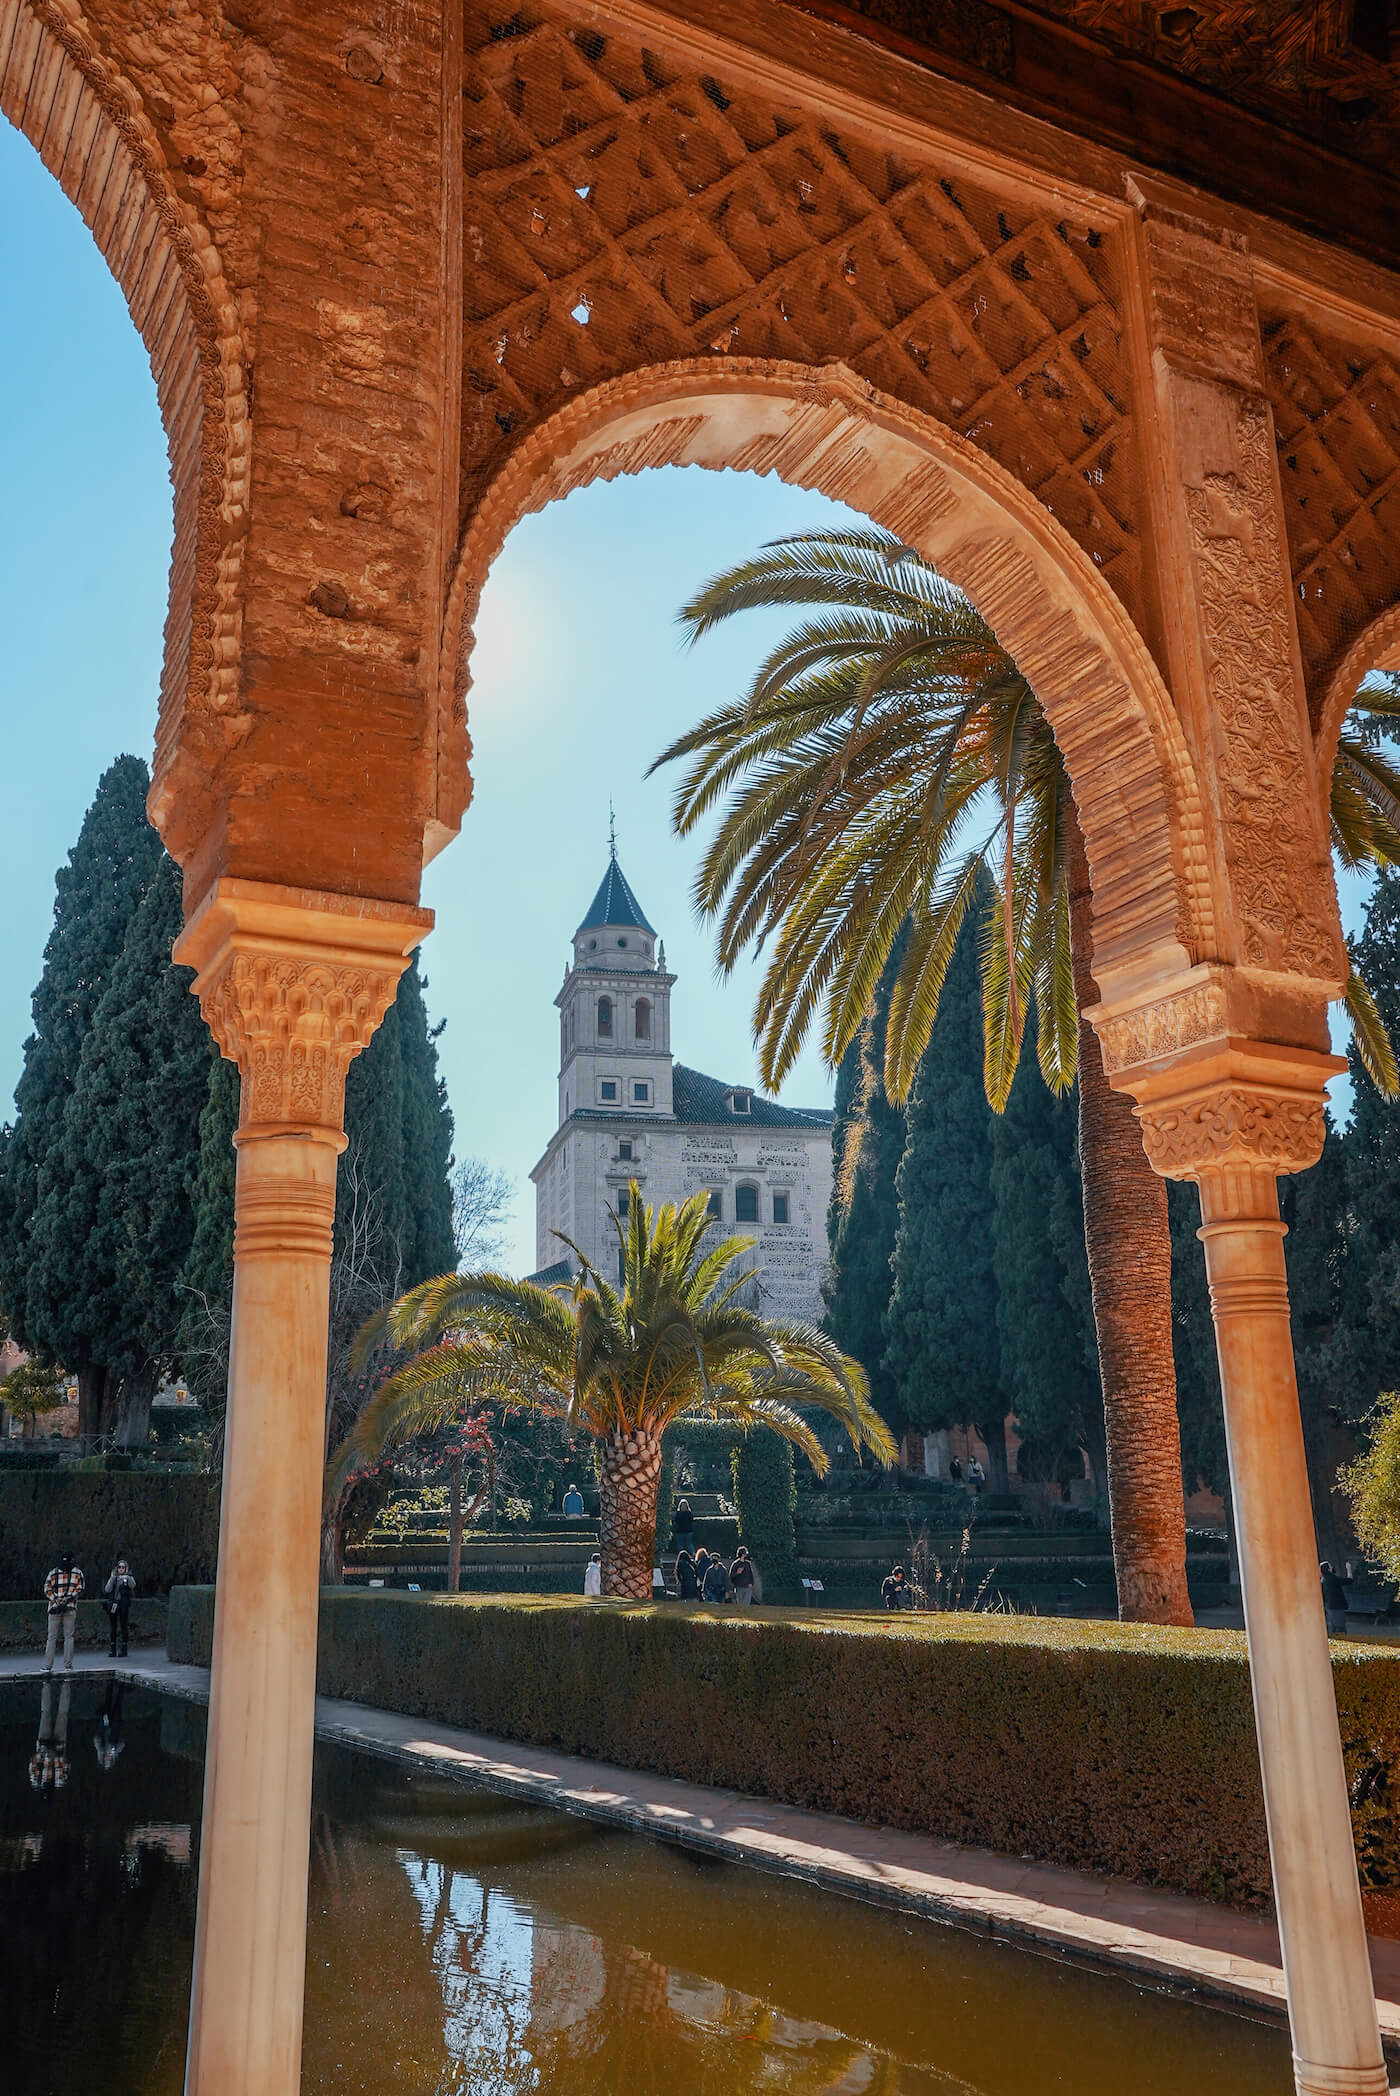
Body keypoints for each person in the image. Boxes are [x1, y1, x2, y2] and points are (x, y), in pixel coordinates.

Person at [42, 1550, 84, 1674]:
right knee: (69, 1637)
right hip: (70, 1607)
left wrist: (56, 1599)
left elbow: (46, 1589)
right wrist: (68, 1599)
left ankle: (47, 1666)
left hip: (54, 1607)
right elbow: (80, 1588)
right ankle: (68, 1666)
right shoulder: (77, 1572)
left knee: (51, 1638)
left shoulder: (53, 1572)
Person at [30, 1676, 72, 1795]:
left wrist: (44, 1754)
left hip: (43, 1743)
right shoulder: (60, 1780)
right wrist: (55, 1756)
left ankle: (46, 1685)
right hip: (59, 1745)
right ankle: (66, 1684)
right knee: (63, 1714)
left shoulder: (35, 1779)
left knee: (46, 1713)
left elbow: (32, 1761)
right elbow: (67, 1764)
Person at [104, 1557, 136, 1659]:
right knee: (113, 1626)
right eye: (119, 1567)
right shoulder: (114, 1577)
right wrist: (112, 1577)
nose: (121, 1569)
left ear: (126, 1568)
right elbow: (107, 1589)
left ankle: (124, 1648)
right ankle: (112, 1649)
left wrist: (127, 1578)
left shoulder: (128, 1577)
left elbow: (133, 1585)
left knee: (123, 1626)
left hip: (123, 1604)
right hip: (114, 1604)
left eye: (123, 1567)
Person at [1321, 1561, 1349, 1636]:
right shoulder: (1333, 1579)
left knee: (1334, 1627)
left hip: (1329, 1607)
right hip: (1337, 1607)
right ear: (1328, 1569)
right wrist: (1349, 1569)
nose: (1332, 1567)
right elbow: (1349, 1580)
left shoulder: (1323, 1580)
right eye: (1330, 1566)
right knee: (1340, 1628)